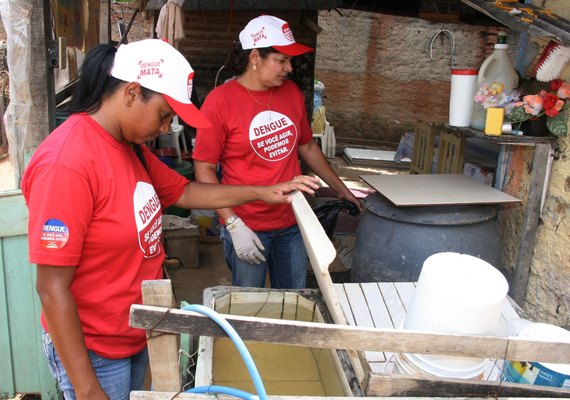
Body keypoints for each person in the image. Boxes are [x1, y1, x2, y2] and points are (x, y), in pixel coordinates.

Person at [21, 38, 319, 400]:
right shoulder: (67, 164)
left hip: (134, 330)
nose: (166, 127)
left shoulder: (131, 149)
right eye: (164, 114)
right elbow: (51, 288)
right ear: (132, 93)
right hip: (95, 349)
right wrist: (86, 388)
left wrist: (264, 190)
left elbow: (186, 193)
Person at [193, 15, 362, 290]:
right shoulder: (220, 102)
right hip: (247, 223)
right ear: (256, 57)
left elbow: (306, 146)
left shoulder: (291, 93)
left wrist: (340, 188)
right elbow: (204, 169)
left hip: (292, 220)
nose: (289, 68)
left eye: (289, 61)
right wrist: (233, 224)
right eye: (281, 60)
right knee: (249, 309)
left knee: (293, 300)